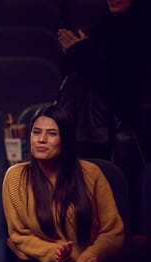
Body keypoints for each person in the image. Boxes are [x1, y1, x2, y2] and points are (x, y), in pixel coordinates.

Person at [2, 104, 125, 262]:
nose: (41, 140)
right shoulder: (16, 177)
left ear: (66, 140)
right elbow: (18, 235)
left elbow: (113, 231)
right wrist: (53, 252)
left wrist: (90, 258)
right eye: (37, 132)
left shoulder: (91, 174)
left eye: (51, 133)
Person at [56, 0, 149, 196]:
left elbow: (122, 82)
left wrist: (81, 52)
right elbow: (75, 71)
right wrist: (75, 52)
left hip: (126, 124)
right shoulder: (102, 26)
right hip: (89, 124)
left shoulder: (143, 28)